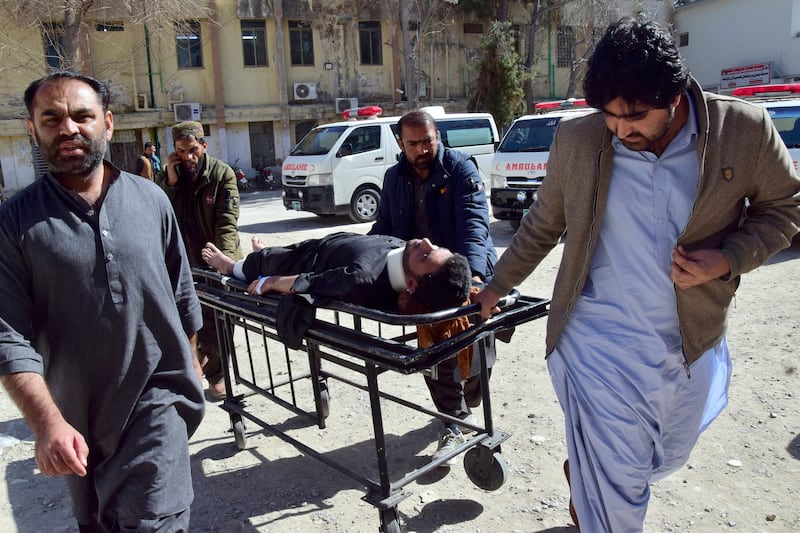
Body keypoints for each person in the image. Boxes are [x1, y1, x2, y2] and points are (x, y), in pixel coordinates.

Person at [473, 17, 800, 532]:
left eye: (637, 116)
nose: (622, 130)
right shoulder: (578, 141)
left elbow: (785, 206)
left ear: (674, 95)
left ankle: (588, 478)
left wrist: (728, 258)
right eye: (610, 116)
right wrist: (495, 287)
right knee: (621, 482)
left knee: (661, 458)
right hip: (596, 338)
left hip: (690, 340)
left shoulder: (744, 130)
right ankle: (600, 490)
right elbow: (542, 225)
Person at [0, 71, 205, 532]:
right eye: (51, 119)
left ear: (107, 123)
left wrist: (191, 362)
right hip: (78, 416)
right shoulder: (14, 224)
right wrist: (46, 422)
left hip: (159, 400)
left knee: (153, 521)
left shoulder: (152, 200)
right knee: (98, 522)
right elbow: (8, 336)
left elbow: (180, 290)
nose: (68, 128)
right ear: (32, 130)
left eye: (82, 116)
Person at [369, 109, 497, 466]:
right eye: (414, 143)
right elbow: (383, 229)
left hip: (463, 274)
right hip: (423, 279)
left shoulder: (460, 170)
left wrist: (471, 279)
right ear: (401, 143)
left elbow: (475, 225)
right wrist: (366, 261)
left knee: (476, 360)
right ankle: (451, 421)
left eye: (429, 140)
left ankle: (469, 398)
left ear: (437, 136)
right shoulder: (394, 177)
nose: (423, 148)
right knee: (435, 355)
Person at [156, 120, 243, 400]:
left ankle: (215, 370)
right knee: (193, 319)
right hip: (186, 261)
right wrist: (170, 181)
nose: (188, 157)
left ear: (204, 146)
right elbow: (160, 213)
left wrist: (223, 263)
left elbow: (227, 224)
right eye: (181, 151)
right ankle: (211, 370)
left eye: (193, 149)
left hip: (217, 258)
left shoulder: (222, 175)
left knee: (222, 320)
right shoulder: (173, 176)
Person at [201, 232, 471, 311]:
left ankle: (230, 264)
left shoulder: (360, 279)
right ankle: (262, 252)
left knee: (264, 262)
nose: (425, 242)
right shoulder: (408, 255)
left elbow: (310, 282)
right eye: (435, 245)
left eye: (425, 255)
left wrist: (271, 282)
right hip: (327, 244)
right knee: (271, 253)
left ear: (411, 285)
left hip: (306, 261)